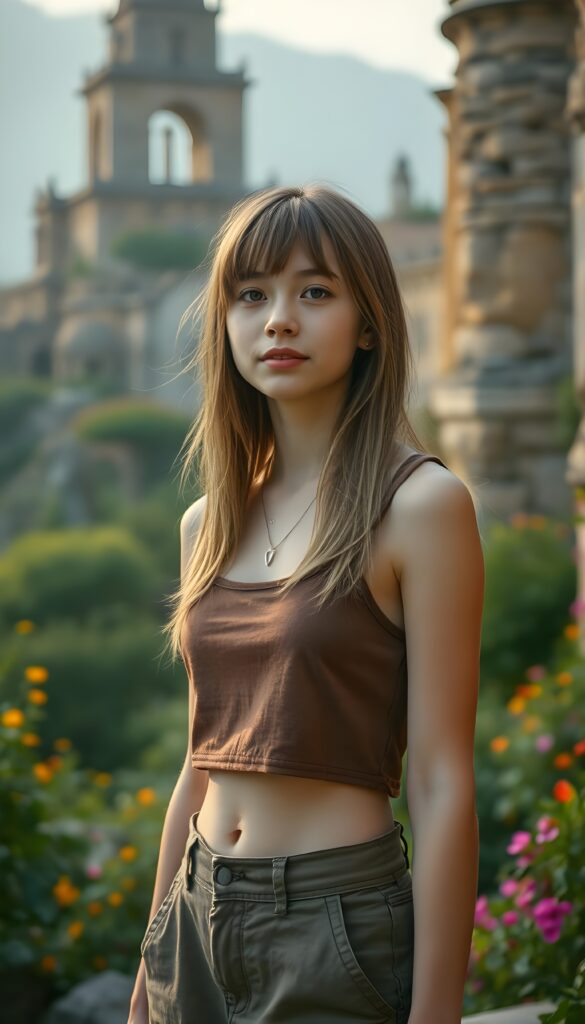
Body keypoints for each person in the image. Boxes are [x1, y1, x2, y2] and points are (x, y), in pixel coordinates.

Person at [128, 183, 484, 1024]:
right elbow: (199, 763)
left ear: (368, 323)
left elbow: (439, 780)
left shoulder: (421, 507)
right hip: (196, 914)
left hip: (333, 923)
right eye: (250, 295)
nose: (277, 320)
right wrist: (150, 975)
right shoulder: (205, 522)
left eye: (313, 292)